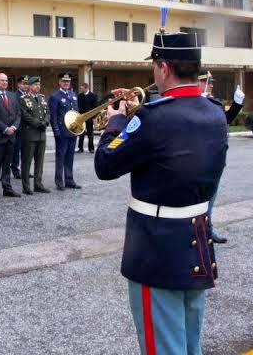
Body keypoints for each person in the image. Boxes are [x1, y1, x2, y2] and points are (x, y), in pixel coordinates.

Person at [94, 32, 228, 355]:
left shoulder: (152, 119)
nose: (154, 72)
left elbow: (105, 164)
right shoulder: (215, 112)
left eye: (155, 65)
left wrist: (117, 122)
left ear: (164, 68)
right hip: (197, 244)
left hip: (158, 249)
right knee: (189, 344)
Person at [197, 70, 245, 245]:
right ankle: (197, 231)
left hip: (215, 158)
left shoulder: (213, 102)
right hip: (197, 159)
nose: (210, 85)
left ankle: (208, 228)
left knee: (210, 197)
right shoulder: (192, 102)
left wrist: (237, 103)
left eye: (210, 82)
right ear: (197, 83)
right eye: (207, 82)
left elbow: (225, 119)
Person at [48, 72, 81, 190]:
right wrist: (56, 131)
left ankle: (69, 180)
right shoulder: (55, 96)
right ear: (59, 82)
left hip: (73, 131)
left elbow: (77, 113)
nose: (66, 83)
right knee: (60, 157)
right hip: (62, 132)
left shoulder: (73, 94)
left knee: (70, 157)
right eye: (64, 81)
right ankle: (59, 181)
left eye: (68, 81)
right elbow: (53, 115)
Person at [19, 76, 50, 194]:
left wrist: (46, 122)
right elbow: (25, 115)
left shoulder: (42, 98)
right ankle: (26, 187)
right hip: (29, 134)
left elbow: (48, 112)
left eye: (39, 85)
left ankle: (38, 184)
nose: (38, 87)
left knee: (40, 161)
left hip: (41, 134)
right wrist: (38, 124)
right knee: (27, 161)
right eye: (36, 85)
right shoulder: (23, 99)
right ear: (30, 86)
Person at [10, 76, 29, 179]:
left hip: (28, 129)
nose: (25, 86)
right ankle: (15, 170)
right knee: (16, 151)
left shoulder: (29, 96)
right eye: (23, 83)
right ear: (18, 85)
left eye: (26, 84)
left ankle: (25, 170)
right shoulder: (14, 96)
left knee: (26, 151)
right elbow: (14, 112)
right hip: (18, 128)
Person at [76, 82, 98, 153]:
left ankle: (91, 148)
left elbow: (95, 107)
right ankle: (80, 148)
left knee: (90, 134)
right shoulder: (79, 96)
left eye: (82, 88)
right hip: (81, 118)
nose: (81, 90)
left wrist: (93, 117)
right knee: (81, 134)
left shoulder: (93, 96)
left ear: (86, 88)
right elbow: (77, 107)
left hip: (89, 118)